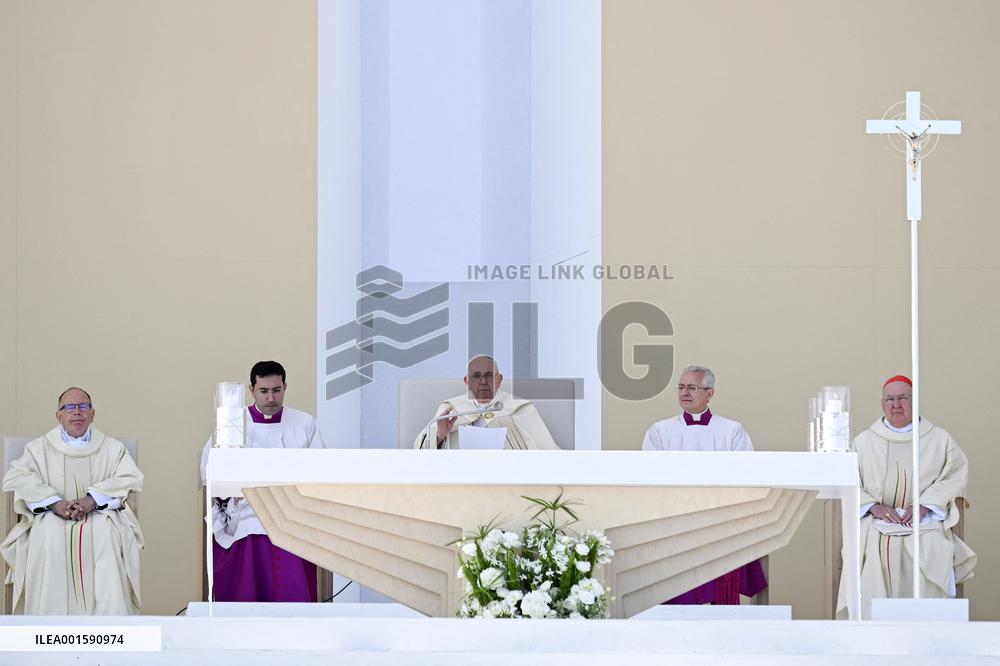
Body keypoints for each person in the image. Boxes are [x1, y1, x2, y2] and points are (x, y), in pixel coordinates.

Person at [837, 375, 976, 619]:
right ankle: (874, 631)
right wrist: (872, 506)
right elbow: (846, 482)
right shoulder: (864, 441)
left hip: (924, 523)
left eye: (903, 398)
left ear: (916, 401)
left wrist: (926, 504)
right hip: (877, 523)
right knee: (871, 545)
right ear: (882, 403)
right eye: (890, 399)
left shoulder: (939, 439)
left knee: (933, 546)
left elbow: (955, 475)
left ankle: (929, 632)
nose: (896, 405)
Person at [1, 387, 143, 614]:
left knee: (106, 532)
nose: (76, 411)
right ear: (59, 415)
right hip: (50, 515)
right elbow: (16, 477)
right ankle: (47, 624)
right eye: (69, 407)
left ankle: (110, 625)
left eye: (83, 406)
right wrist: (54, 502)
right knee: (47, 532)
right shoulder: (38, 449)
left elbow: (130, 478)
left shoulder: (112, 448)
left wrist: (92, 499)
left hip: (99, 516)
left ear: (92, 413)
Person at [200, 361, 324, 602]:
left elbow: (319, 469)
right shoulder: (232, 423)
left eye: (277, 390)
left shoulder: (305, 423)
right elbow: (209, 469)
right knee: (249, 528)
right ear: (251, 389)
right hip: (247, 508)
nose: (271, 398)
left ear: (285, 387)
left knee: (294, 530)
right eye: (264, 391)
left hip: (292, 507)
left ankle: (294, 614)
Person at [641, 365, 766, 604]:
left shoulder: (731, 430)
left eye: (692, 387)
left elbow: (745, 474)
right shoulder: (660, 431)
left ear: (710, 393)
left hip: (719, 517)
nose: (685, 392)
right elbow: (649, 478)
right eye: (681, 387)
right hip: (674, 517)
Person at [413, 355, 559, 450]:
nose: (483, 382)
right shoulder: (450, 409)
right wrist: (440, 434)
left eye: (489, 376)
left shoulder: (519, 409)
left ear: (499, 380)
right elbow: (420, 454)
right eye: (476, 376)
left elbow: (547, 452)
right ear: (467, 382)